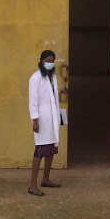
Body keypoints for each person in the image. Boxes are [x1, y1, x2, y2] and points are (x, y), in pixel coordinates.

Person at [28, 50, 62, 196]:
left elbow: (54, 99)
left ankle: (46, 179)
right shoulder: (35, 78)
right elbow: (33, 101)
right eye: (47, 61)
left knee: (51, 149)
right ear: (42, 61)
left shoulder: (52, 76)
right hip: (41, 119)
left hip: (52, 118)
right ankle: (32, 185)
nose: (50, 64)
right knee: (40, 150)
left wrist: (58, 116)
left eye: (52, 61)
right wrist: (35, 120)